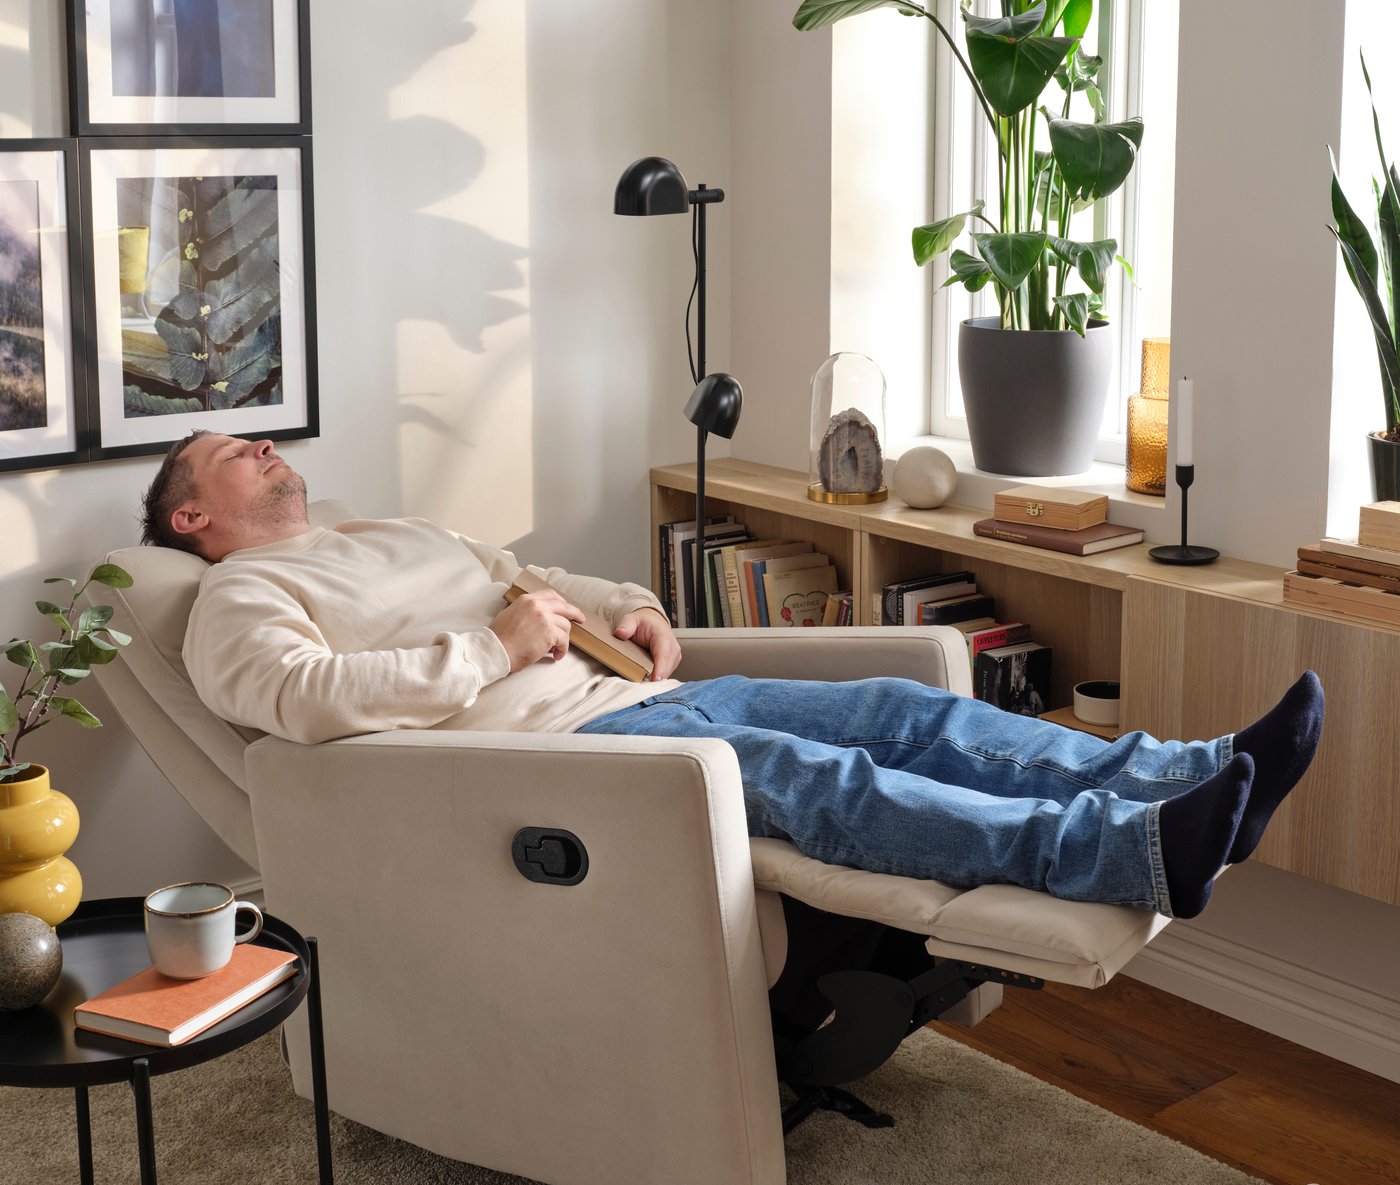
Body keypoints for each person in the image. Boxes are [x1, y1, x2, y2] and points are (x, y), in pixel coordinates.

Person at [143, 430, 1326, 920]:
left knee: (905, 711)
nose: (263, 445)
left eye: (261, 435)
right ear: (193, 513)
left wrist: (637, 609)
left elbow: (535, 573)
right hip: (555, 762)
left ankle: (1188, 771)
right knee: (820, 777)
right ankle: (1126, 853)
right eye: (226, 452)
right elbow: (298, 706)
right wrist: (491, 651)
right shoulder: (233, 601)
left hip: (640, 695)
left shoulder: (390, 534)